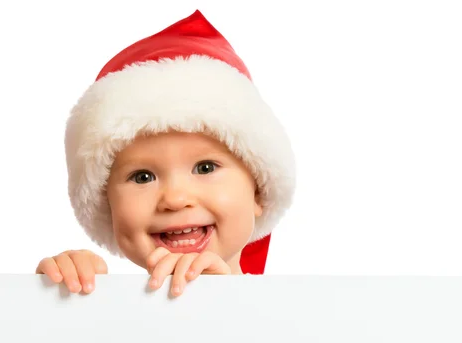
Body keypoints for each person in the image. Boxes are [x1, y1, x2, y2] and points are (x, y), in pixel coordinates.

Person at [36, 10, 296, 297]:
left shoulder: (293, 311)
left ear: (259, 190)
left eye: (206, 168)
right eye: (142, 176)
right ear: (106, 204)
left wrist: (228, 297)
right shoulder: (104, 303)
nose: (175, 199)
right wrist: (61, 296)